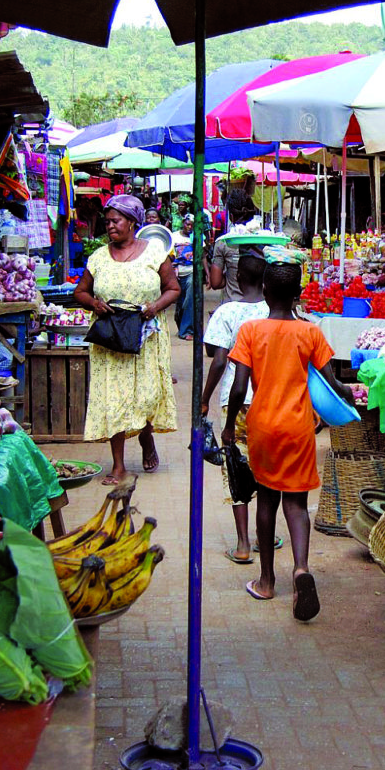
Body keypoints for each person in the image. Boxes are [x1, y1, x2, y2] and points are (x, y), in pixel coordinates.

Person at [223, 246, 355, 619]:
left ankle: (266, 582)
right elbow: (332, 384)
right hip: (299, 428)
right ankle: (301, 569)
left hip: (263, 426)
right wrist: (352, 397)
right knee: (295, 504)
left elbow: (238, 388)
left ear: (263, 290)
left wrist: (230, 427)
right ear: (298, 295)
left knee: (266, 502)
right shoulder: (310, 333)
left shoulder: (251, 331)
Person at [74, 194, 180, 483]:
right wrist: (94, 304)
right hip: (110, 339)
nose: (109, 226)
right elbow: (80, 292)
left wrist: (154, 307)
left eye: (115, 221)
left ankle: (146, 437)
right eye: (107, 221)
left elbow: (173, 288)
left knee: (144, 396)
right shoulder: (98, 257)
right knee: (114, 399)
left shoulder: (155, 252)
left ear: (132, 222)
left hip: (145, 337)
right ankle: (118, 465)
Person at [201, 253, 270, 564]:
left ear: (237, 279)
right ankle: (264, 535)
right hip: (270, 402)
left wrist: (204, 399)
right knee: (267, 470)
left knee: (236, 469)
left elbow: (217, 360)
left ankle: (243, 544)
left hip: (236, 402)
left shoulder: (228, 312)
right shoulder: (277, 311)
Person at [208, 191, 259, 303]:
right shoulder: (265, 240)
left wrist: (230, 275)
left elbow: (215, 283)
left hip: (231, 306)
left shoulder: (223, 243)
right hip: (260, 309)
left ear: (231, 216)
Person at [172, 213, 198, 340]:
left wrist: (207, 275)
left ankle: (187, 330)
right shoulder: (174, 236)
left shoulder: (197, 236)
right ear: (183, 223)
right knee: (181, 302)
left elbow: (202, 256)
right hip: (177, 273)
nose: (189, 227)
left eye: (192, 225)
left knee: (189, 299)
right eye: (188, 224)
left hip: (191, 272)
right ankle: (182, 326)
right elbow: (169, 255)